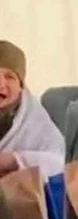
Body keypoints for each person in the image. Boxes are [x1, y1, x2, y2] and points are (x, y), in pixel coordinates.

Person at [0, 40, 64, 179]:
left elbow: (60, 164)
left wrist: (15, 160)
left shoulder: (35, 120)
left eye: (9, 77)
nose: (1, 84)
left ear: (21, 86)